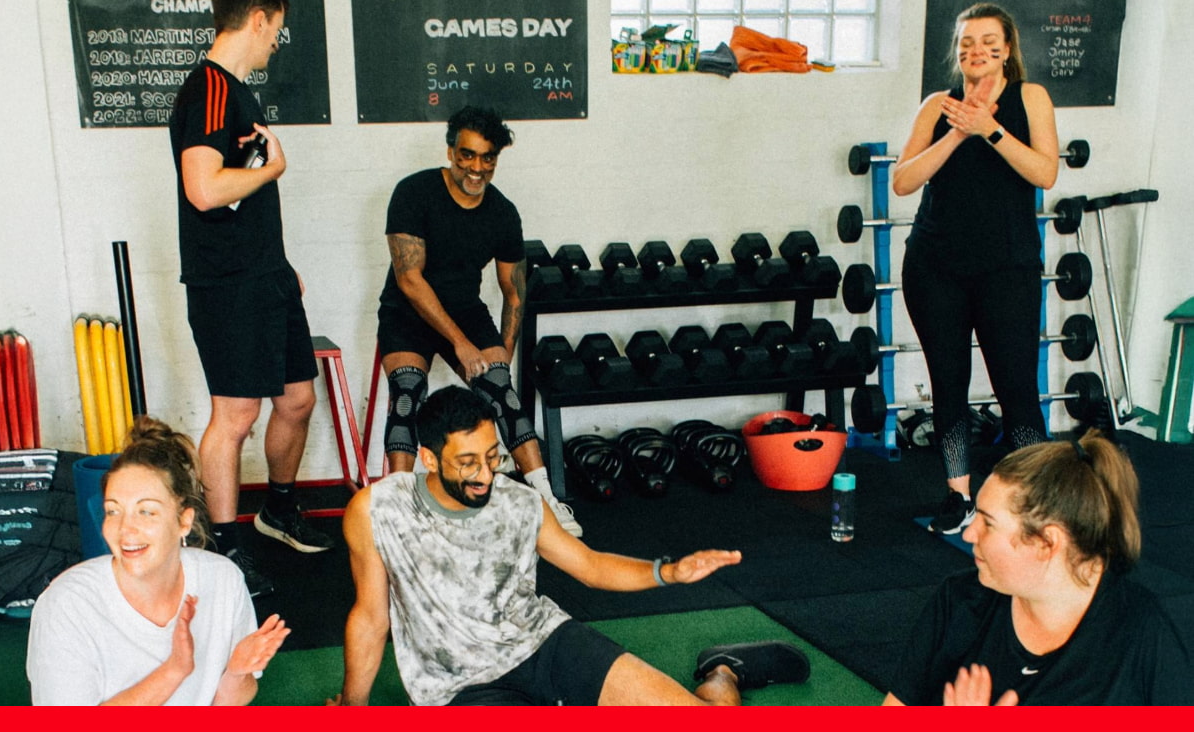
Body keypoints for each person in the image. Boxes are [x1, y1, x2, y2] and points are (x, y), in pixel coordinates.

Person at [333, 386, 810, 705]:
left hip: (544, 643)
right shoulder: (379, 510)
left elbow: (589, 566)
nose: (485, 475)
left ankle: (724, 672)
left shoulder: (520, 503)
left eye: (493, 456)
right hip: (461, 684)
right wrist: (353, 708)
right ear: (429, 459)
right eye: (467, 463)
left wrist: (668, 571)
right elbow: (371, 617)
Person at [169, 0, 333, 598]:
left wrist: (280, 267)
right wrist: (274, 169)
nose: (275, 44)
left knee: (296, 398)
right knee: (235, 416)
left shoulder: (236, 92)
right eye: (277, 31)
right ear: (259, 18)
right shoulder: (210, 90)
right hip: (227, 286)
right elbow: (205, 190)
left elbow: (241, 204)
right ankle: (226, 547)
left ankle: (278, 510)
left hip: (264, 278)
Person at [375, 105, 582, 537]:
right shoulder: (414, 193)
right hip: (408, 312)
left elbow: (514, 290)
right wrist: (461, 345)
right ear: (451, 152)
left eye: (487, 157)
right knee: (409, 395)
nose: (476, 167)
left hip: (466, 310)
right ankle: (397, 509)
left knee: (501, 396)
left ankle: (546, 500)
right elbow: (409, 279)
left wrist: (502, 352)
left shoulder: (503, 213)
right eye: (467, 155)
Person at [891, 2, 1058, 534]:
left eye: (988, 41)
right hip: (935, 264)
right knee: (948, 385)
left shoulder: (1030, 98)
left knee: (1016, 388)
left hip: (1007, 267)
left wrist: (989, 129)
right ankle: (959, 496)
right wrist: (958, 132)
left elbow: (1045, 173)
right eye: (966, 41)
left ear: (1007, 48)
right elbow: (903, 180)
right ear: (956, 49)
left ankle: (1033, 500)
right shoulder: (937, 105)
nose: (975, 50)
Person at [884, 431, 1194, 705]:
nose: (968, 533)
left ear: (1048, 542)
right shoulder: (959, 602)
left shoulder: (1142, 634)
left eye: (988, 523)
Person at [26, 417, 290, 705]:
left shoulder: (224, 580)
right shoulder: (67, 605)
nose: (126, 528)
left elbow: (224, 705)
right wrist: (174, 671)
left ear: (184, 522)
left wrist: (238, 673)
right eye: (113, 511)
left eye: (146, 512)